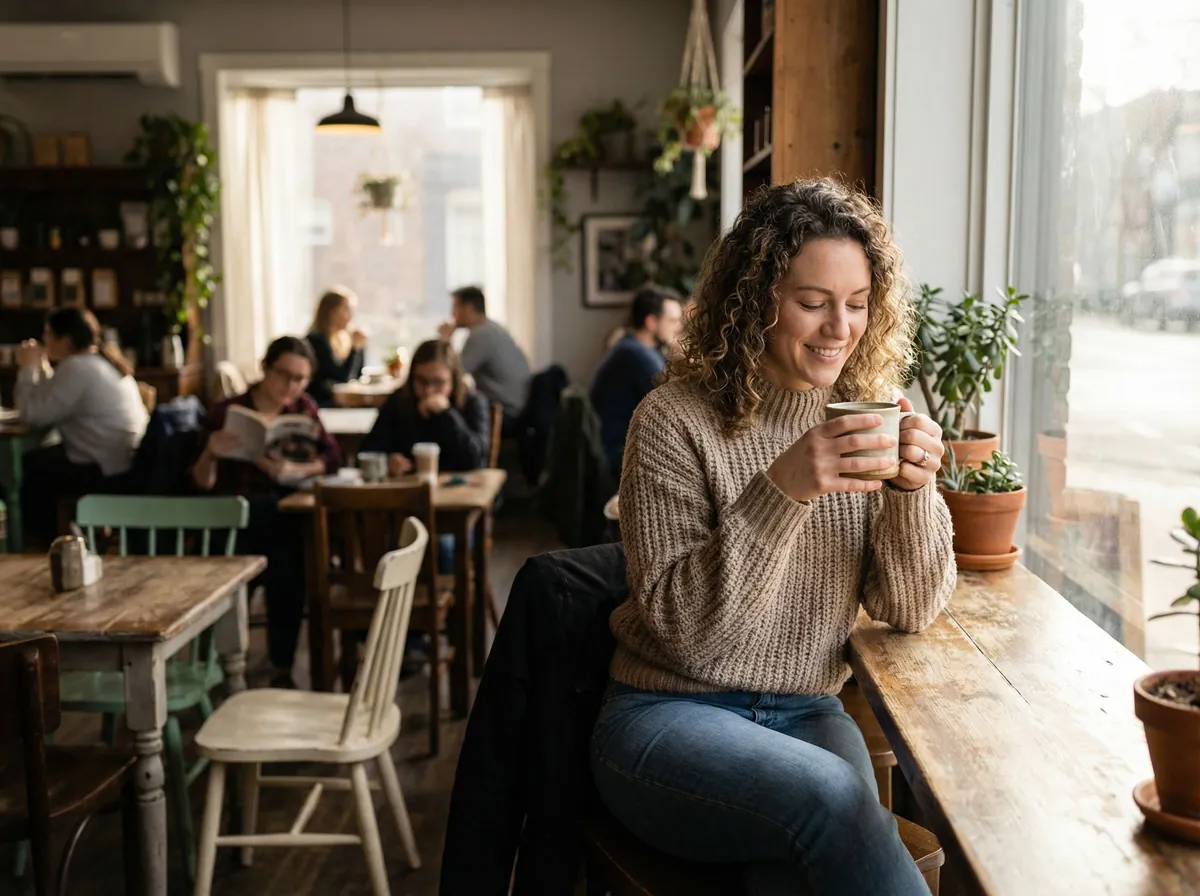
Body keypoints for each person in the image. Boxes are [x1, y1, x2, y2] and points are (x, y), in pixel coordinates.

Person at [590, 179, 957, 895]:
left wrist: (914, 491)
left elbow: (910, 608)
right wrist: (784, 487)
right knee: (836, 804)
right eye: (813, 303)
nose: (838, 328)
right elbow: (691, 639)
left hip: (809, 712)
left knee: (792, 871)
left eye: (857, 306)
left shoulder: (866, 417)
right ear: (754, 298)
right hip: (668, 717)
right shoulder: (672, 421)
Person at [192, 336, 341, 687]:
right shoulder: (227, 411)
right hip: (233, 521)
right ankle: (235, 663)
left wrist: (294, 470)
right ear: (265, 368)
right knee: (281, 542)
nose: (290, 386)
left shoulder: (302, 409)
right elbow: (200, 484)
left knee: (290, 558)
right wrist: (210, 453)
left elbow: (333, 459)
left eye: (300, 379)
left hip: (285, 516)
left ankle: (281, 666)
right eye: (283, 375)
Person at [15, 308, 149, 548]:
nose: (44, 341)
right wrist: (43, 367)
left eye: (48, 335)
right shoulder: (97, 361)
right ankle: (68, 537)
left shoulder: (77, 368)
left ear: (65, 341)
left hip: (107, 473)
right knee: (43, 461)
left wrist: (27, 369)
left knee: (32, 473)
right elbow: (54, 399)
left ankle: (44, 548)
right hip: (128, 464)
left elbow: (32, 415)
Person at [359, 339, 489, 573]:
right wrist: (388, 460)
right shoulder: (399, 402)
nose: (428, 390)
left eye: (438, 383)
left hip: (456, 511)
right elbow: (369, 449)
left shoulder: (471, 403)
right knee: (380, 546)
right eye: (421, 381)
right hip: (403, 508)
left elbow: (476, 458)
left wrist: (447, 414)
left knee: (443, 549)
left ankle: (447, 608)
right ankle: (398, 608)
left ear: (453, 380)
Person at [589, 284, 684, 475]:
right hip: (618, 454)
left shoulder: (631, 346)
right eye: (672, 321)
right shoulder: (638, 356)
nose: (679, 327)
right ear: (651, 322)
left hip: (614, 446)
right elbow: (674, 409)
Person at [438, 285, 531, 433]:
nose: (451, 313)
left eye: (455, 307)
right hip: (519, 408)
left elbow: (452, 373)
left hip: (505, 413)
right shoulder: (492, 328)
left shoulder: (480, 336)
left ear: (468, 309)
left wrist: (444, 341)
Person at [305, 286, 367, 407]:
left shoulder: (341, 340)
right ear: (331, 312)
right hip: (320, 405)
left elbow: (357, 374)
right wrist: (354, 348)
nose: (351, 317)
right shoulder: (316, 341)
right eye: (347, 310)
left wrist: (360, 347)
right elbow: (342, 378)